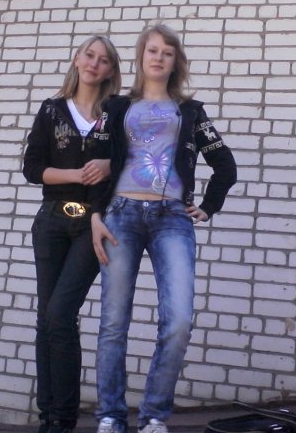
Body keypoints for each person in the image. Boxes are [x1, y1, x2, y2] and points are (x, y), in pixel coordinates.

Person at [91, 24, 237, 433]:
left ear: (176, 62)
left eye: (167, 52)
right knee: (113, 322)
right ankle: (110, 416)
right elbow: (97, 164)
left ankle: (154, 416)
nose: (158, 57)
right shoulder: (115, 108)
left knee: (178, 322)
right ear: (141, 57)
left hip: (172, 219)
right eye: (152, 50)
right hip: (121, 215)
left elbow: (225, 165)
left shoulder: (190, 112)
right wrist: (95, 214)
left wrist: (208, 206)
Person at [23, 35, 121, 433]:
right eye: (89, 55)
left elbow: (131, 160)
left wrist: (109, 165)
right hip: (51, 220)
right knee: (47, 319)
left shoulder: (116, 113)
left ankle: (63, 417)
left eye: (103, 60)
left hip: (92, 222)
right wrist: (78, 174)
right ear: (77, 59)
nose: (94, 63)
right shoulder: (51, 109)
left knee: (61, 315)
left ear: (111, 70)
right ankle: (47, 415)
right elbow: (33, 168)